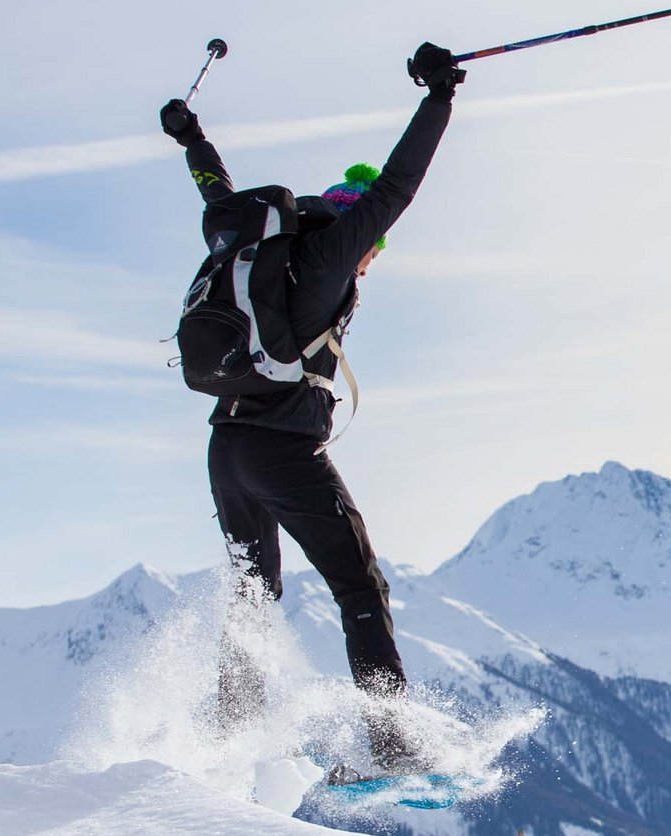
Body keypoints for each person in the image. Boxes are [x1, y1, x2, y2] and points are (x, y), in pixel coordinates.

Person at [159, 43, 466, 776]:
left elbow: (216, 194)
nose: (372, 261)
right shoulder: (335, 251)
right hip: (282, 450)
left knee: (254, 597)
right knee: (360, 586)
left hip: (226, 445)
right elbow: (396, 186)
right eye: (374, 249)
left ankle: (225, 749)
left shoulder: (269, 248)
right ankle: (394, 750)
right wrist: (439, 99)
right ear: (360, 232)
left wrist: (192, 137)